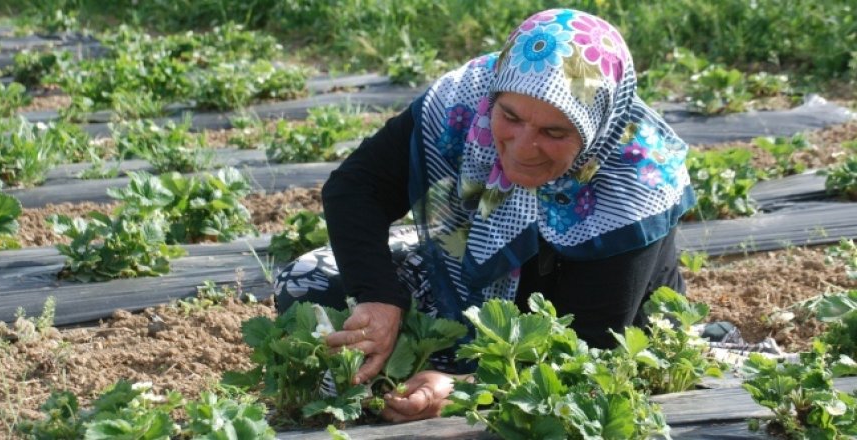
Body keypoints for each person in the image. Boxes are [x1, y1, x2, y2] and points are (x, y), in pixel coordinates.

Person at [274, 8, 694, 423]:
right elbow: (355, 187)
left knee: (574, 389)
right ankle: (430, 351)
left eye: (554, 132)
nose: (523, 146)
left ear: (593, 129)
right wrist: (380, 299)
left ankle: (446, 367)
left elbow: (587, 353)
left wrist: (467, 388)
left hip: (579, 324)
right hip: (469, 281)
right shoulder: (464, 97)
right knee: (307, 283)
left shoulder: (636, 180)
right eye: (509, 116)